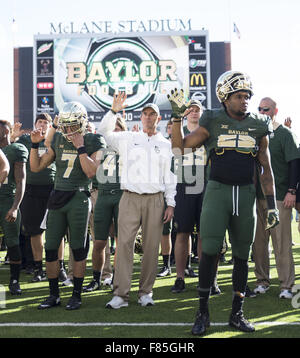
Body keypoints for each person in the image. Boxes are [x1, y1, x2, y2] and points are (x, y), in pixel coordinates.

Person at [170, 71, 279, 336]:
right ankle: (203, 312)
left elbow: (266, 167)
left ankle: (236, 312)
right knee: (209, 251)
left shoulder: (258, 125)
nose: (245, 101)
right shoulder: (212, 120)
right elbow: (180, 148)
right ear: (225, 97)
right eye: (239, 96)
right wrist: (175, 118)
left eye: (247, 96)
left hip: (245, 194)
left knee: (242, 255)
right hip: (217, 192)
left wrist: (272, 204)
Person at [98, 92, 176, 309]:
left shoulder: (166, 144)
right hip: (130, 197)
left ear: (158, 119)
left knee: (151, 247)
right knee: (124, 246)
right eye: (145, 114)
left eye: (153, 114)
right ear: (140, 118)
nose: (149, 117)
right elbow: (103, 133)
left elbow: (169, 176)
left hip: (155, 199)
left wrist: (171, 203)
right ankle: (121, 295)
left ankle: (145, 293)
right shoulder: (129, 139)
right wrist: (114, 111)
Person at [30, 101, 105, 310]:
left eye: (72, 124)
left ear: (81, 122)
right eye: (65, 125)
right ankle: (53, 295)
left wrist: (81, 146)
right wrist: (35, 145)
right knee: (51, 248)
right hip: (57, 197)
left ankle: (76, 295)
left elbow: (91, 172)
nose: (68, 129)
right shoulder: (59, 140)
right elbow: (36, 167)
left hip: (79, 198)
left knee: (78, 249)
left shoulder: (94, 140)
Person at [252, 97, 300, 299]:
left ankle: (286, 286)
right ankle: (262, 281)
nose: (262, 112)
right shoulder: (254, 134)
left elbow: (295, 164)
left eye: (266, 109)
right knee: (259, 243)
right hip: (257, 198)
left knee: (281, 242)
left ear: (275, 110)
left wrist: (292, 191)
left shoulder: (285, 134)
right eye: (260, 109)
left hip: (280, 196)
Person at [83, 114, 126, 292]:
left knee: (122, 240)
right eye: (112, 130)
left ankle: (118, 277)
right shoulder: (101, 147)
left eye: (117, 129)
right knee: (99, 241)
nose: (114, 133)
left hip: (123, 195)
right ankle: (97, 278)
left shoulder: (128, 147)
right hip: (103, 194)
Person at [16, 114, 57, 282]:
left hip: (53, 189)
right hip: (31, 190)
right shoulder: (26, 140)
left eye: (46, 122)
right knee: (35, 232)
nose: (42, 124)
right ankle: (38, 268)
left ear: (50, 126)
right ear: (34, 124)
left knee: (56, 231)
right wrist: (13, 137)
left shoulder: (54, 140)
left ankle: (58, 267)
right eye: (40, 121)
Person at [171, 100, 206, 293]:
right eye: (190, 110)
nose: (193, 112)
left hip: (205, 183)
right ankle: (180, 277)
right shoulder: (179, 130)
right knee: (182, 232)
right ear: (185, 113)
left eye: (197, 109)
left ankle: (206, 277)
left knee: (204, 233)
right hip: (184, 183)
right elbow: (176, 152)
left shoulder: (207, 131)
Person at [0, 120, 28, 295]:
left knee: (12, 242)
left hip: (7, 199)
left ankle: (15, 280)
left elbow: (21, 181)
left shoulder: (16, 150)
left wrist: (15, 207)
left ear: (8, 131)